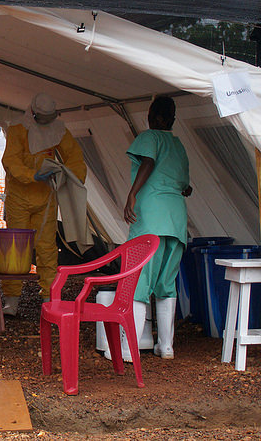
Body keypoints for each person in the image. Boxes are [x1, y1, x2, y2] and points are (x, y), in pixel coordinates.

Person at [119, 96, 191, 362]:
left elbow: (148, 162)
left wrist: (132, 194)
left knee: (139, 279)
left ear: (157, 118)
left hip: (151, 217)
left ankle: (131, 347)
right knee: (166, 283)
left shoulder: (151, 137)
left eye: (151, 113)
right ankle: (166, 346)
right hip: (176, 219)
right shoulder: (178, 145)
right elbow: (185, 185)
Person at [1, 93, 87, 314]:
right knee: (15, 249)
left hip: (46, 197)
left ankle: (49, 297)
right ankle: (12, 299)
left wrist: (71, 178)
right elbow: (11, 160)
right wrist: (32, 175)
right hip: (19, 197)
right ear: (34, 113)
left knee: (47, 248)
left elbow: (75, 158)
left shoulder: (59, 130)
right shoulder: (19, 128)